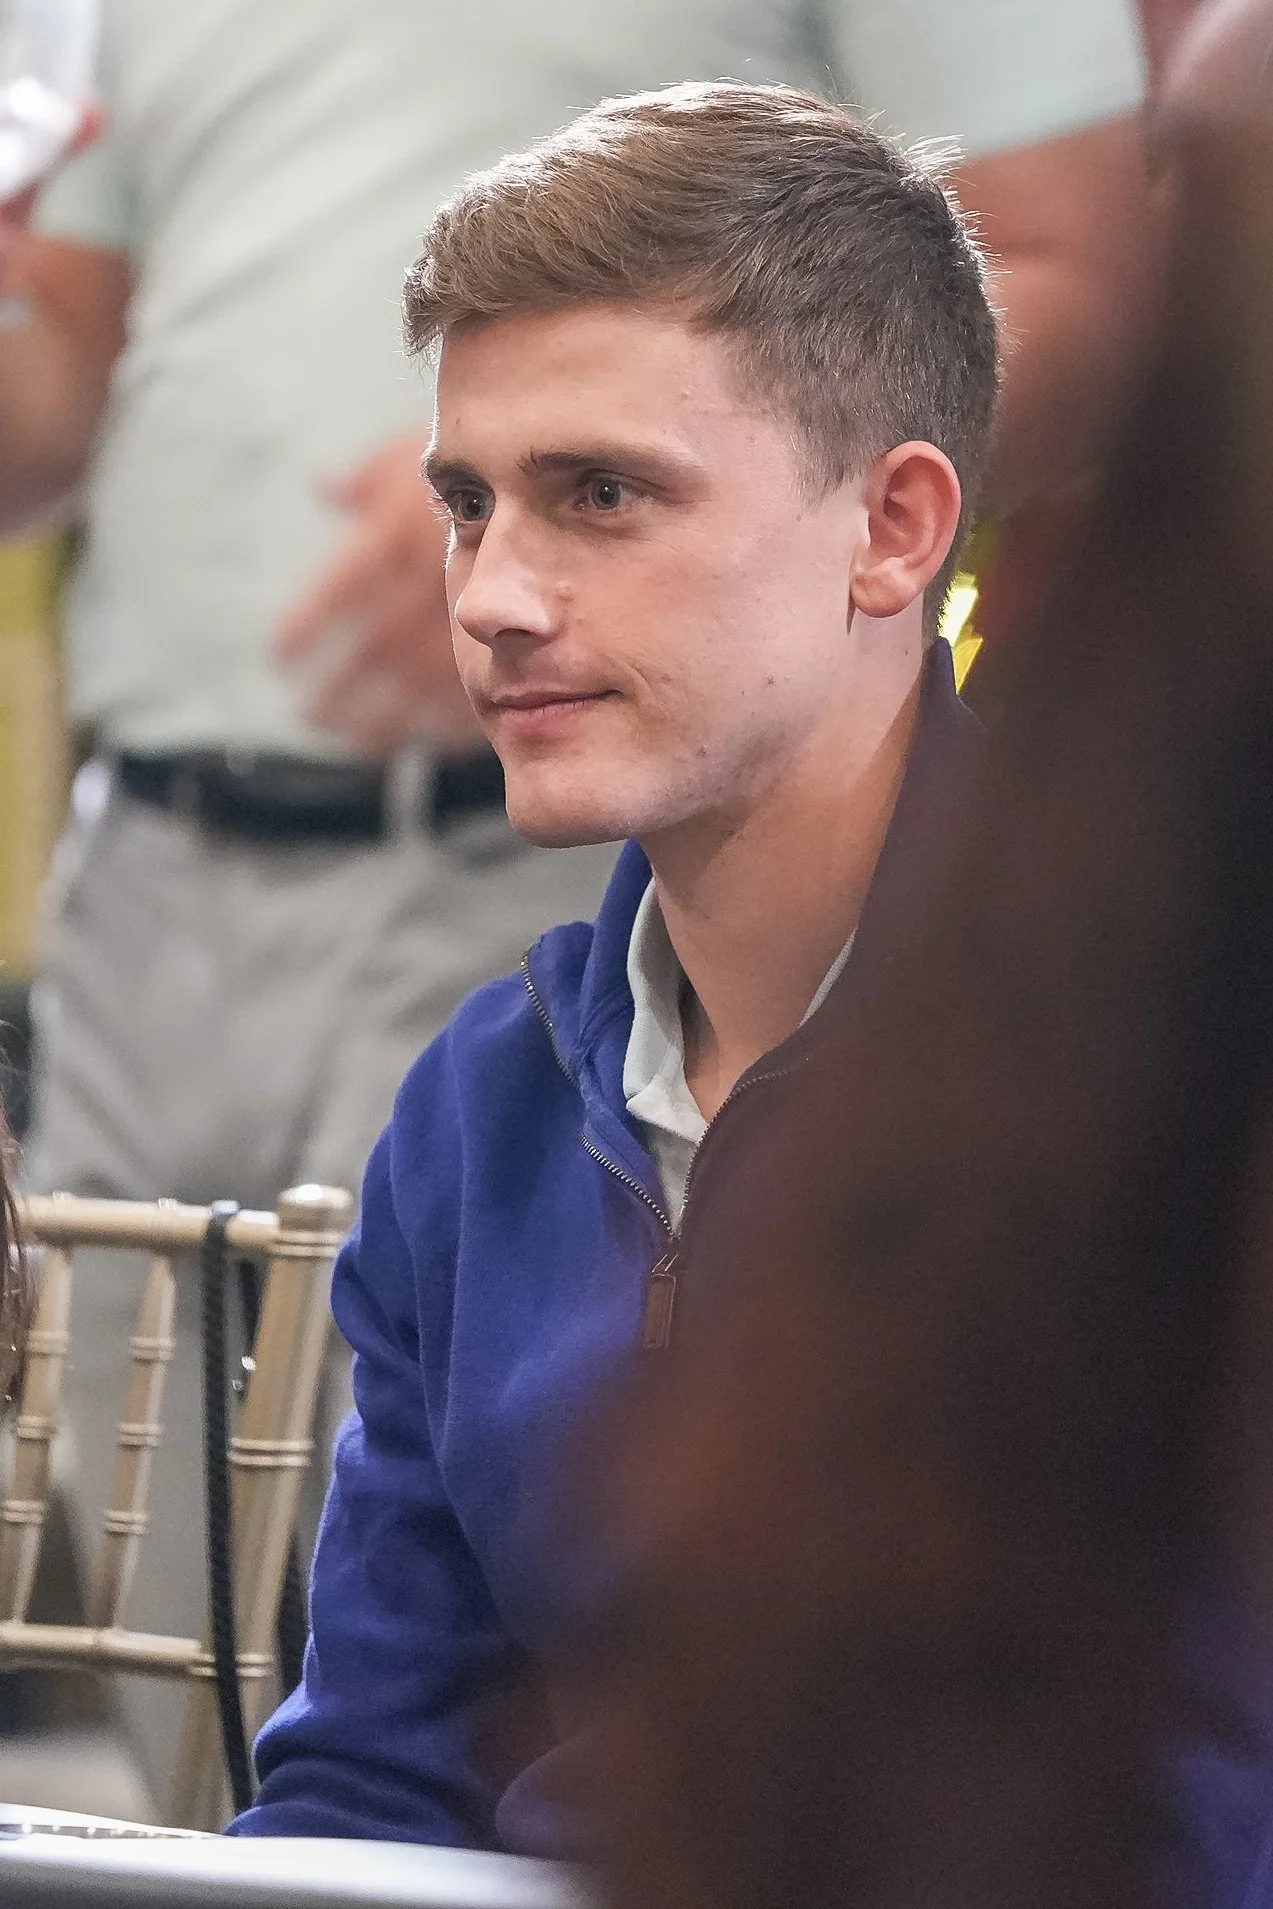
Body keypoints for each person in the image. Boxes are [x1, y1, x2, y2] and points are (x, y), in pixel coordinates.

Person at [223, 80, 1001, 1851]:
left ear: (894, 529)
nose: (492, 595)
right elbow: (370, 1794)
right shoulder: (480, 1109)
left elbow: (1183, 1814)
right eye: (468, 503)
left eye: (600, 495)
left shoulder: (1163, 1072)